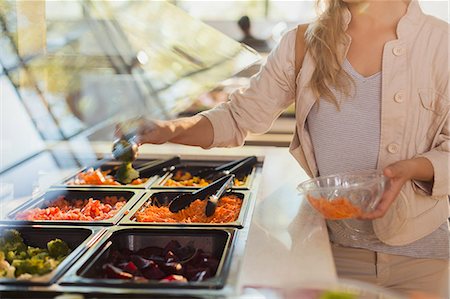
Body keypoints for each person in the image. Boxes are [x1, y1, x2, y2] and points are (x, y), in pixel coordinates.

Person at [117, 0, 449, 297]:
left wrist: (414, 168)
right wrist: (166, 129)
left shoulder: (442, 44)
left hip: (420, 258)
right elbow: (237, 117)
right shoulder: (302, 43)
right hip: (327, 253)